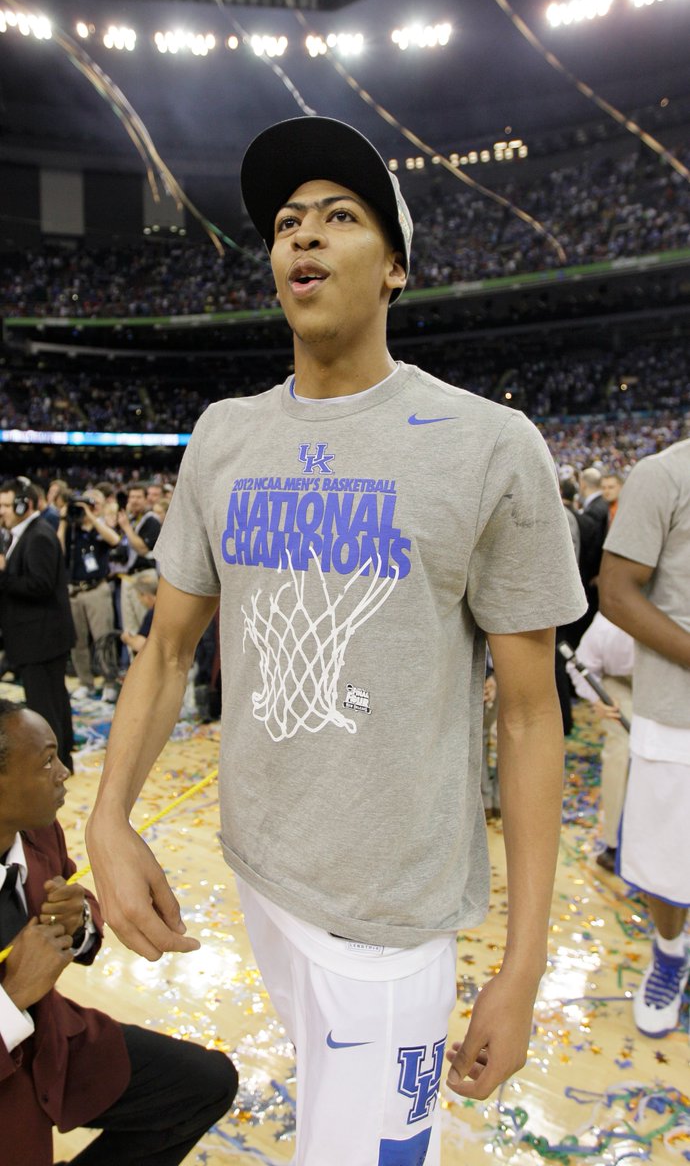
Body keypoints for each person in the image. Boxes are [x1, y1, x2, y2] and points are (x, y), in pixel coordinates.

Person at [85, 116, 586, 1165]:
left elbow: (530, 714)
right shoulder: (224, 435)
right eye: (286, 224)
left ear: (396, 266)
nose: (303, 236)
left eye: (340, 216)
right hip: (259, 869)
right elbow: (167, 652)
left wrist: (524, 964)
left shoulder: (491, 446)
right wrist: (110, 817)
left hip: (387, 919)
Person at [0, 699, 238, 1166]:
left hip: (54, 1040)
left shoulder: (38, 832)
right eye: (47, 761)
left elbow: (77, 897)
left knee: (205, 1084)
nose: (64, 773)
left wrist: (79, 924)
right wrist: (12, 998)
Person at [599, 438, 690, 1038]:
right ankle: (669, 952)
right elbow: (616, 591)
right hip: (679, 710)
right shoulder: (664, 474)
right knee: (668, 862)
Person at [0, 478, 75, 773]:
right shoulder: (27, 534)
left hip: (40, 639)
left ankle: (54, 767)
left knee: (46, 706)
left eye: (6, 505)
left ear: (25, 504)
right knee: (55, 701)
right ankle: (63, 761)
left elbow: (40, 585)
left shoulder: (38, 535)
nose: (1, 511)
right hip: (39, 637)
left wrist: (3, 575)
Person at [566, 611, 634, 872]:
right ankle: (615, 843)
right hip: (623, 685)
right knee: (621, 750)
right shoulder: (609, 623)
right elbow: (579, 666)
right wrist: (596, 699)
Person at [57, 489, 121, 703]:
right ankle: (85, 682)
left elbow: (114, 540)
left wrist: (92, 518)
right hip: (74, 590)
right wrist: (64, 521)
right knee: (77, 641)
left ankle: (110, 682)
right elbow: (57, 551)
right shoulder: (71, 529)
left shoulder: (100, 527)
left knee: (103, 638)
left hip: (96, 589)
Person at [116, 484, 160, 638]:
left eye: (138, 497)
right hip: (128, 577)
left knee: (144, 628)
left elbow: (142, 548)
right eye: (132, 497)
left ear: (146, 499)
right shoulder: (130, 520)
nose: (134, 501)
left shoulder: (152, 520)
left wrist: (127, 528)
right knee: (129, 629)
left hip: (144, 576)